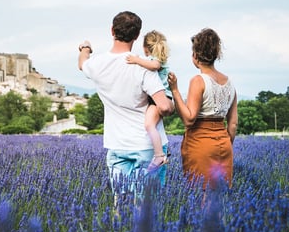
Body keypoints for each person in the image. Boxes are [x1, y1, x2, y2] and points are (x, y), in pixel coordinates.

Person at [78, 11, 174, 205]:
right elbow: (164, 107)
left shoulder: (97, 64)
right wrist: (173, 99)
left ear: (112, 31)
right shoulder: (142, 66)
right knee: (146, 208)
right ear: (137, 36)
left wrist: (85, 48)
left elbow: (82, 64)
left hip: (117, 144)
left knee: (121, 205)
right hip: (147, 147)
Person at [167, 28, 237, 189]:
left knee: (200, 194)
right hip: (224, 144)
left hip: (200, 144)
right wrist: (225, 144)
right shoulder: (230, 83)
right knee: (221, 195)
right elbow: (233, 124)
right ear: (216, 54)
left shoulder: (198, 80)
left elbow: (189, 119)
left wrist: (175, 90)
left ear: (195, 55)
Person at [126, 30, 172, 170]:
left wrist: (137, 60)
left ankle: (159, 155)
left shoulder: (155, 60)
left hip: (160, 98)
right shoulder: (157, 59)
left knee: (149, 125)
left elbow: (154, 66)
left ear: (146, 47)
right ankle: (161, 151)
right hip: (159, 98)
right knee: (152, 125)